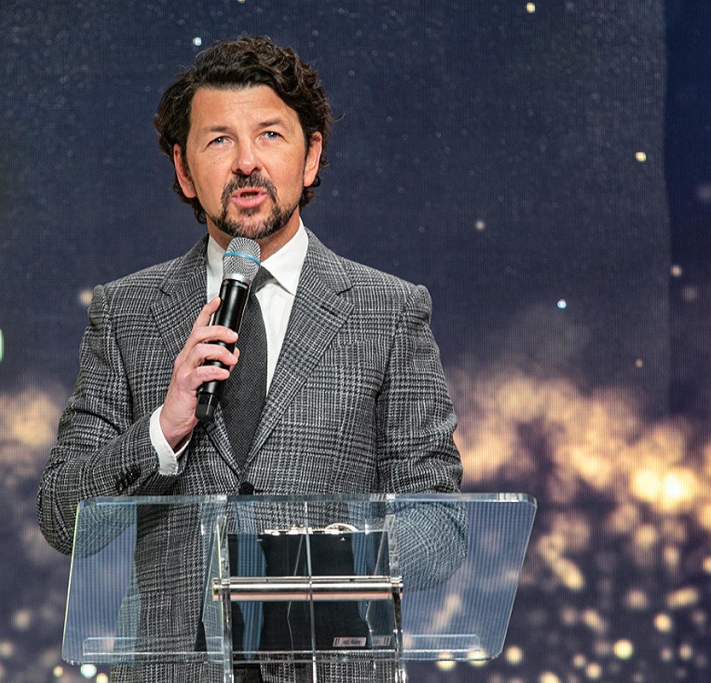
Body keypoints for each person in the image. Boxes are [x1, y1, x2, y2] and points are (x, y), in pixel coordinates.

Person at [37, 36, 462, 682]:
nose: (245, 162)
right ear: (184, 170)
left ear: (310, 156)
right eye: (218, 141)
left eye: (269, 135)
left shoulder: (389, 312)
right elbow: (63, 516)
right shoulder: (126, 313)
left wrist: (329, 560)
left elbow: (440, 521)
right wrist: (162, 430)